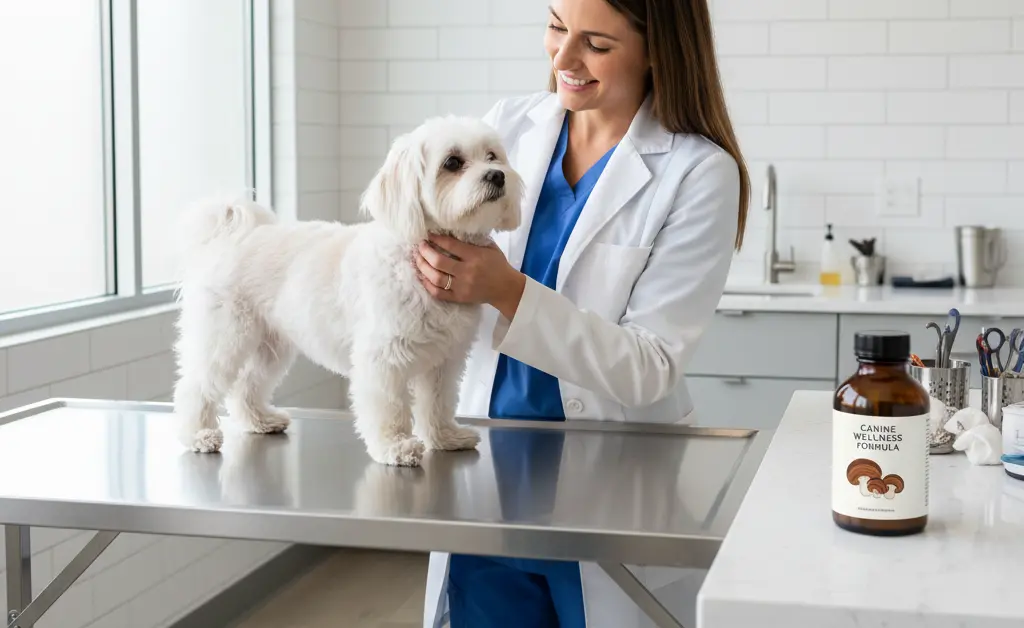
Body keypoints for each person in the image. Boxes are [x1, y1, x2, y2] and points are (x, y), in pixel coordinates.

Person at [413, 0, 749, 625]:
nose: (563, 58)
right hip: (487, 475)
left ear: (659, 48)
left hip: (610, 486)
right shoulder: (504, 128)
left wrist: (503, 288)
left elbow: (649, 367)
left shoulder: (699, 171)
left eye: (595, 43)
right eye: (556, 27)